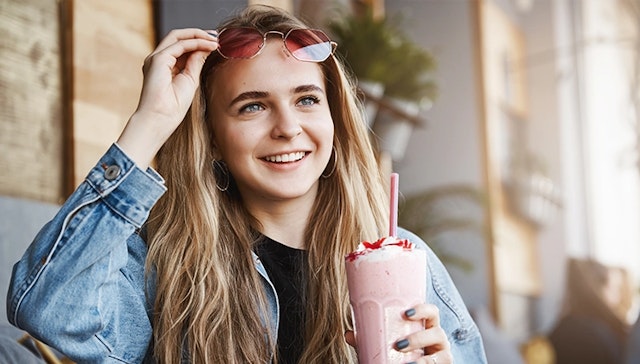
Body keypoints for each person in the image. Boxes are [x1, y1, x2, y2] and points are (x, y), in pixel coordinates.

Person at [6, 5, 487, 363]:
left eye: (306, 100)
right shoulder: (163, 263)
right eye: (252, 106)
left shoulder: (402, 258)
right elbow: (45, 307)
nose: (287, 128)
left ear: (335, 119)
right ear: (213, 138)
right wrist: (149, 124)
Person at [549, 258, 632, 364]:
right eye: (614, 288)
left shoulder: (560, 329)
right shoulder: (597, 334)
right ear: (597, 288)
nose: (618, 297)